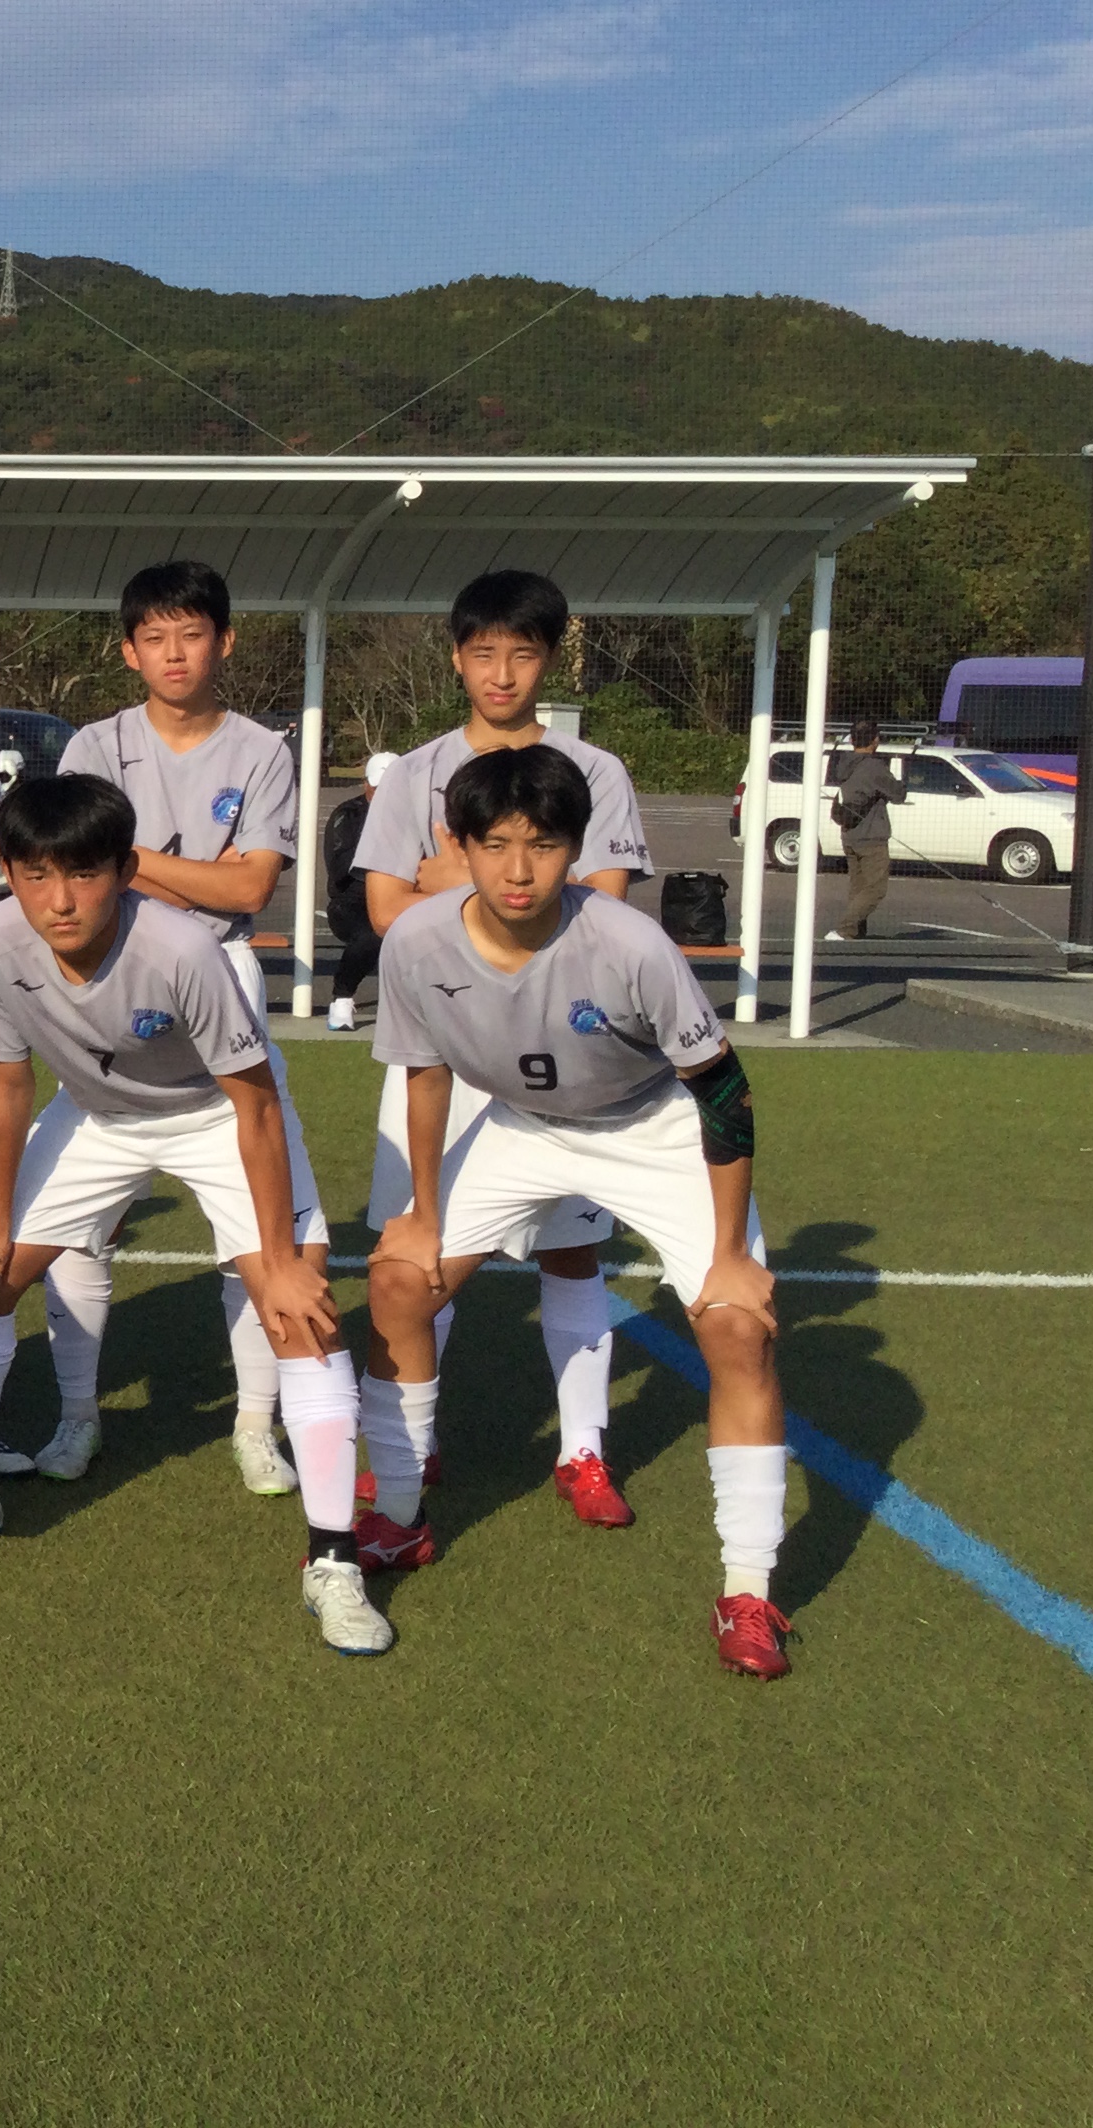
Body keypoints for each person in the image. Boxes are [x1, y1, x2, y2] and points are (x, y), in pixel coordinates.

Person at [364, 746, 791, 1677]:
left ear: (577, 847)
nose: (519, 871)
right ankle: (396, 1517)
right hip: (519, 1124)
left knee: (736, 1327)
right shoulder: (418, 941)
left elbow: (725, 1093)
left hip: (649, 1125)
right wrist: (423, 1211)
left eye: (545, 845)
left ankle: (749, 1590)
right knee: (400, 1280)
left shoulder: (631, 945)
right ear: (458, 846)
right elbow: (426, 1074)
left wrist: (730, 1252)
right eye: (496, 845)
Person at [0, 774, 388, 1655]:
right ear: (8, 874)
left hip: (216, 1113)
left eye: (83, 873)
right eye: (35, 875)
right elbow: (8, 1081)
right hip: (95, 1116)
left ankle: (335, 1559)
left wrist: (280, 1256)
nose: (59, 900)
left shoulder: (182, 949)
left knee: (300, 1311)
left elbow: (256, 1105)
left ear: (124, 869)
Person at [357, 569, 654, 1533]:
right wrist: (491, 893)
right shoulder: (415, 774)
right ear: (456, 657)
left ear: (550, 659)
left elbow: (604, 904)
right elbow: (384, 910)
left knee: (571, 1253)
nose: (501, 674)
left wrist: (451, 878)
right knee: (420, 1246)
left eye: (522, 654)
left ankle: (583, 1452)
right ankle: (413, 1446)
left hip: (562, 1049)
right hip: (442, 1040)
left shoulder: (595, 771)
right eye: (483, 653)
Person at [40, 561, 327, 1499]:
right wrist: (177, 872)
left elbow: (250, 887)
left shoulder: (262, 750)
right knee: (72, 1226)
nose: (174, 654)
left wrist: (124, 860)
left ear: (224, 641)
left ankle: (254, 1424)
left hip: (221, 972)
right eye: (155, 638)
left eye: (192, 634)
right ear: (129, 652)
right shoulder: (94, 743)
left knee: (259, 1228)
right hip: (109, 972)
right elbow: (75, 875)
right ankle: (76, 1416)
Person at [322, 749, 400, 1033]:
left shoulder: (416, 815)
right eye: (379, 787)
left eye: (393, 787)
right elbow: (339, 868)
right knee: (372, 935)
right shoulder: (348, 814)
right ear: (367, 784)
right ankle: (342, 998)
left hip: (402, 895)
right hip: (350, 901)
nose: (385, 795)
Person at [827, 718, 902, 942]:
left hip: (849, 833)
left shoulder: (844, 764)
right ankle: (844, 929)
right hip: (872, 835)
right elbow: (898, 794)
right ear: (875, 740)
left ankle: (855, 932)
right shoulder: (874, 767)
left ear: (851, 740)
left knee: (858, 886)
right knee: (876, 888)